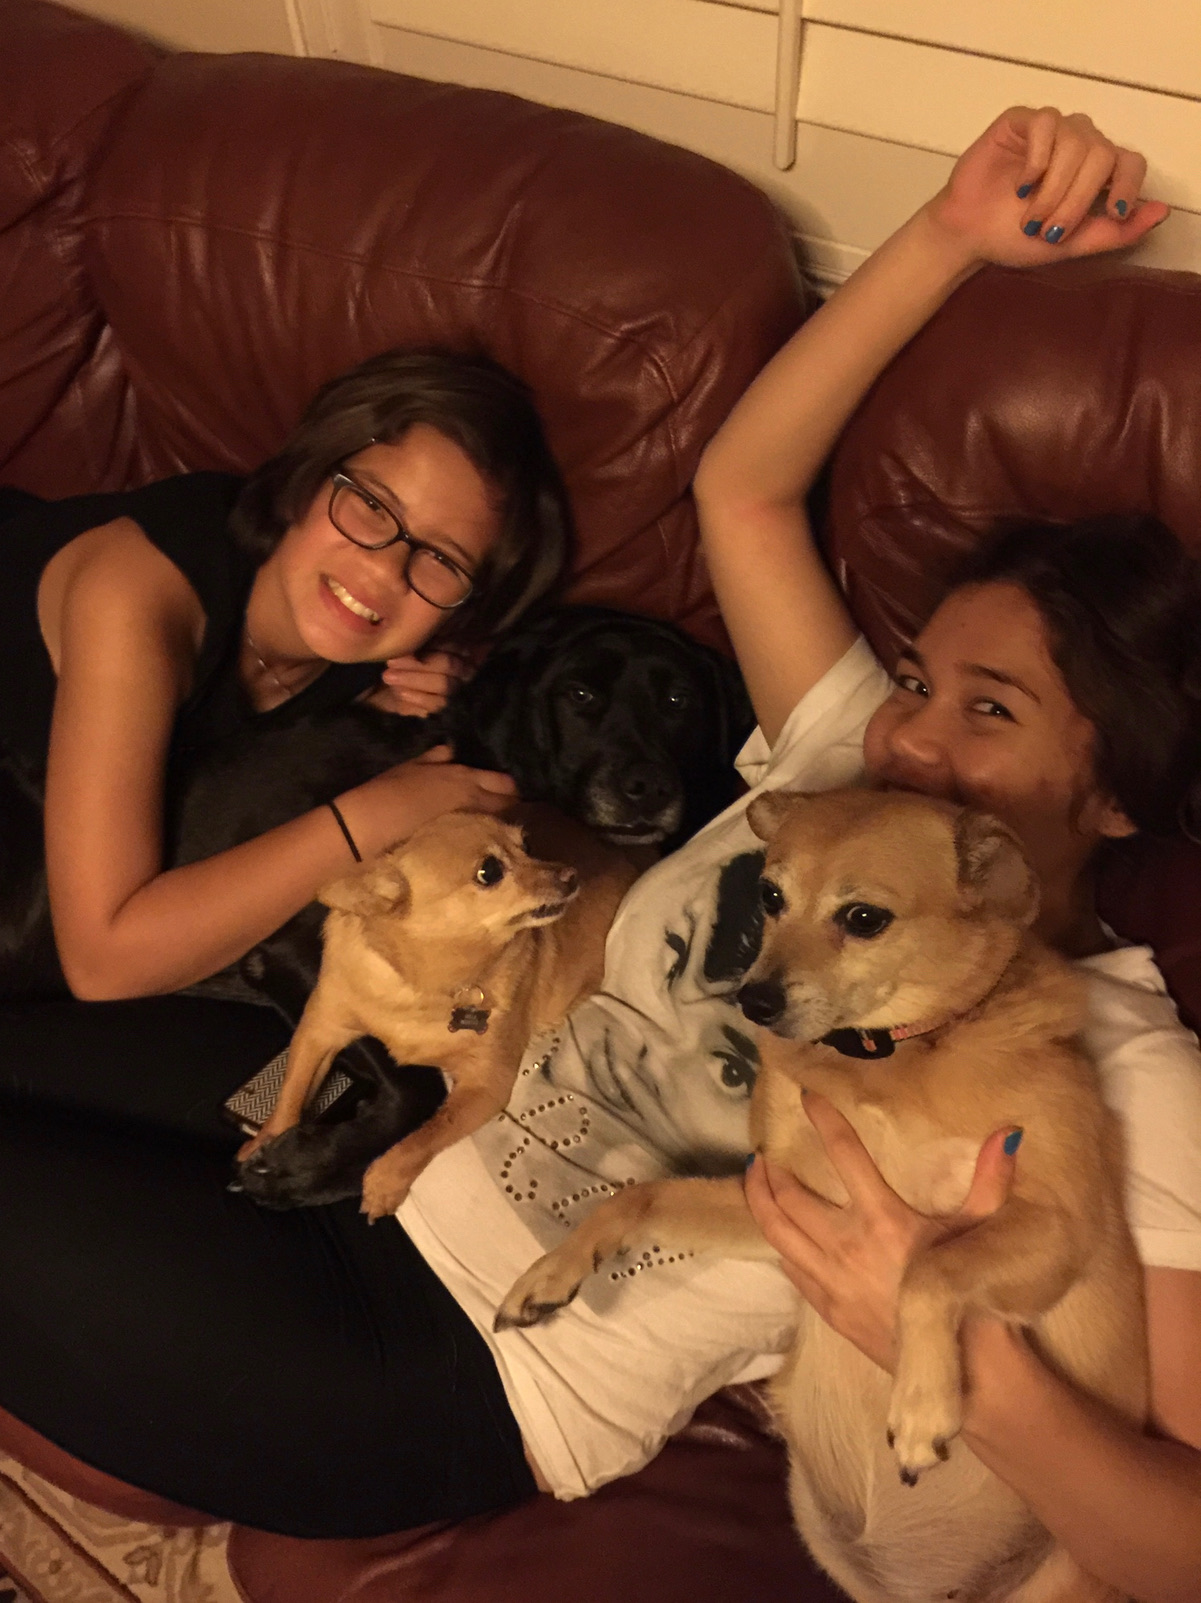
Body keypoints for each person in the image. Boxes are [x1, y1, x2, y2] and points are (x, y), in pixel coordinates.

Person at [0, 107, 1197, 1598]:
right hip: (393, 1111)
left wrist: (958, 1351)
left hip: (458, 1361)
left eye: (991, 709)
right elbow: (739, 486)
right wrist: (953, 232)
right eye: (916, 678)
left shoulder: (1125, 1058)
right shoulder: (835, 775)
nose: (915, 735)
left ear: (1115, 795)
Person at [1, 346, 572, 1002]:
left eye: (441, 559)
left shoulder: (382, 655)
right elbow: (104, 962)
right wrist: (376, 815)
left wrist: (424, 693)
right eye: (372, 505)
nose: (383, 571)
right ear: (307, 477)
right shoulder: (135, 593)